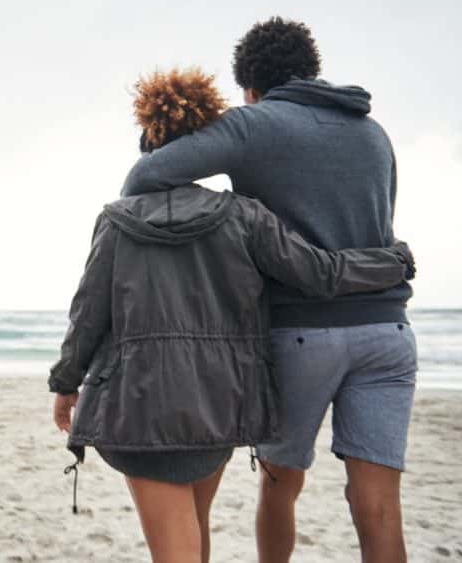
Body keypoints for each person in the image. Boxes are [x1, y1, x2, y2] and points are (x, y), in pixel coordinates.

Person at [49, 67, 415, 563]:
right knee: (195, 529)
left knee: (177, 547)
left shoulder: (116, 221)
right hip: (219, 402)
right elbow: (319, 273)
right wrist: (388, 260)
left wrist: (66, 383)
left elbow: (88, 314)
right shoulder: (245, 216)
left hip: (139, 403)